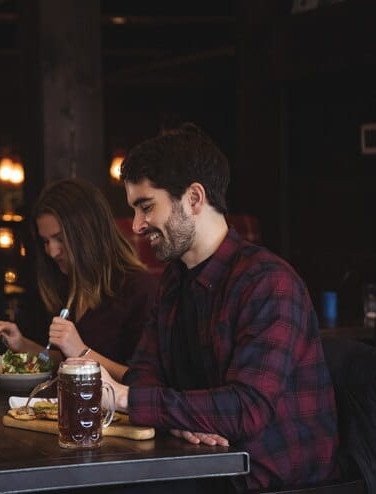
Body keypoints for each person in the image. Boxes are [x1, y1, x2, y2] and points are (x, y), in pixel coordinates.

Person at [103, 125, 338, 491]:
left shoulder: (268, 282)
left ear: (194, 198)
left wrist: (127, 399)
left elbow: (245, 409)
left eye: (146, 206)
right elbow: (146, 372)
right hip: (204, 462)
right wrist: (180, 418)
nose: (137, 225)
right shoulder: (173, 279)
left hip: (274, 479)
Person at [0, 178, 158, 381]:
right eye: (46, 241)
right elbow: (64, 362)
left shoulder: (140, 288)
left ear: (88, 233)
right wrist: (22, 345)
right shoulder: (67, 285)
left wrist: (82, 352)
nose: (52, 251)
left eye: (60, 238)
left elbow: (142, 381)